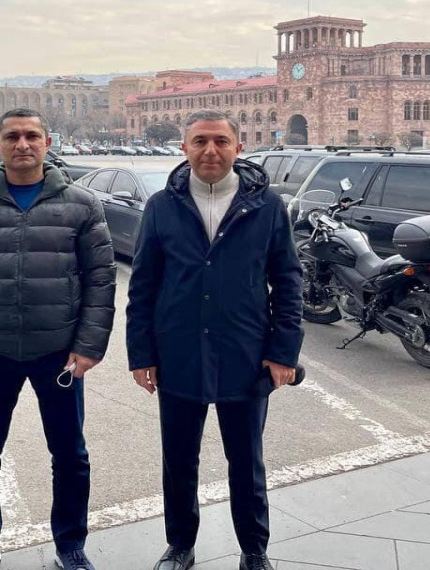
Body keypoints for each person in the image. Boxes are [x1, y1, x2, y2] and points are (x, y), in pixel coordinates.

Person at [0, 107, 116, 570]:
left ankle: (70, 544)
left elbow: (100, 278)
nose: (23, 144)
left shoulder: (81, 204)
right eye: (12, 136)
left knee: (70, 454)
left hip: (59, 353)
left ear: (47, 143)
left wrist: (88, 346)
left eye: (32, 135)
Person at [127, 110, 303, 570]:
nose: (210, 150)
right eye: (200, 141)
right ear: (184, 148)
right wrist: (141, 354)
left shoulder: (267, 207)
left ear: (238, 148)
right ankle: (180, 545)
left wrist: (283, 352)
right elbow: (143, 285)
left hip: (245, 353)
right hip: (178, 352)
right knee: (179, 460)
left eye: (221, 141)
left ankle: (254, 550)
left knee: (247, 461)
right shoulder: (162, 206)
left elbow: (288, 282)